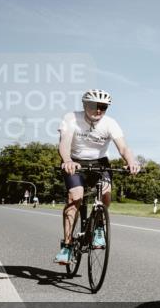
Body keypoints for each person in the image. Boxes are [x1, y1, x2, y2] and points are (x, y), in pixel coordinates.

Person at [55, 89, 140, 265]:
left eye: (103, 107)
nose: (99, 110)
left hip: (100, 163)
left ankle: (99, 227)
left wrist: (131, 161)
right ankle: (68, 246)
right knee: (75, 197)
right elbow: (64, 143)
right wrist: (67, 160)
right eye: (95, 106)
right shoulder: (72, 118)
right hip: (76, 162)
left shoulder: (110, 123)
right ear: (85, 105)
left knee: (106, 194)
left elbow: (124, 148)